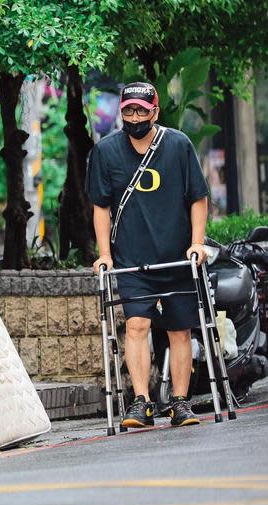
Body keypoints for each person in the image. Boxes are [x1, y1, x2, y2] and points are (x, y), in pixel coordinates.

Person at [86, 81, 209, 428]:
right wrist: (104, 254)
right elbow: (101, 207)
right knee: (137, 325)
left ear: (155, 111)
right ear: (121, 112)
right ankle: (141, 402)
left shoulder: (179, 145)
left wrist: (197, 243)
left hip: (175, 256)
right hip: (132, 260)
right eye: (129, 110)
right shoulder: (106, 152)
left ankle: (181, 403)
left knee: (179, 329)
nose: (135, 116)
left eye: (142, 109)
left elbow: (197, 197)